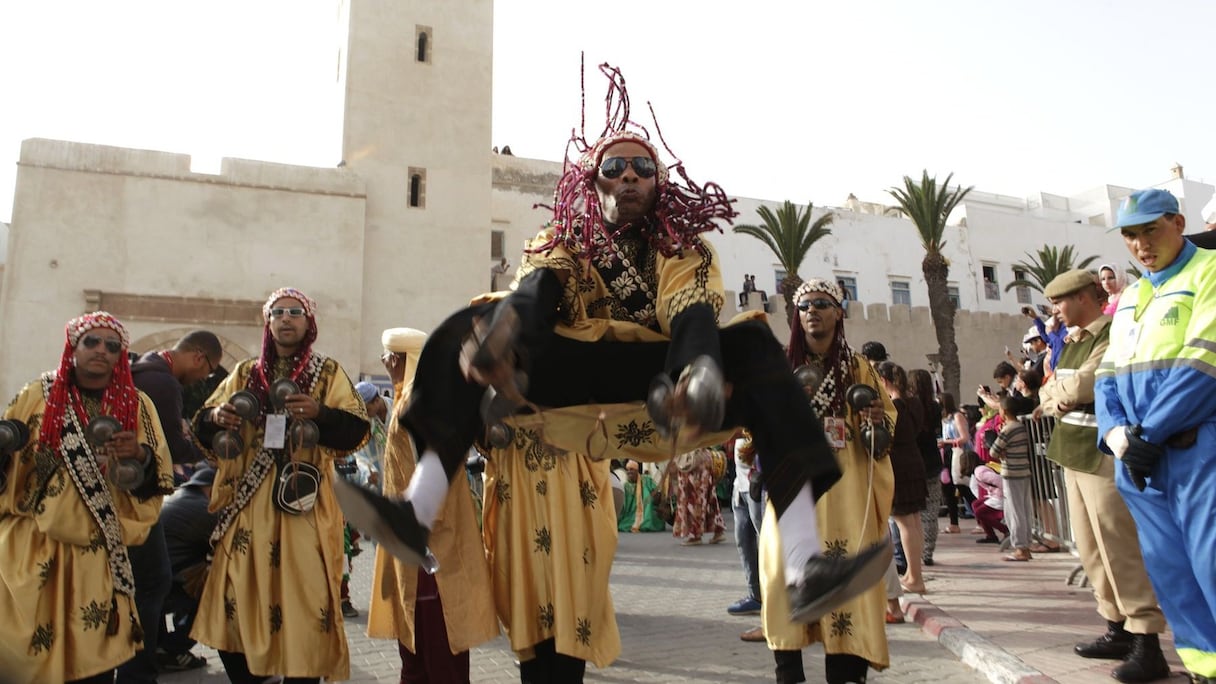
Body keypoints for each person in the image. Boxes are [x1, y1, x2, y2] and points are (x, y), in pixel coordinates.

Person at [335, 63, 889, 633]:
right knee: (467, 324)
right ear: (592, 181)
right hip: (575, 371)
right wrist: (502, 334)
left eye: (642, 167)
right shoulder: (563, 241)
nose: (629, 176)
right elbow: (536, 291)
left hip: (666, 371)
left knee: (755, 343)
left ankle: (804, 566)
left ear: (657, 182)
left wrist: (698, 370)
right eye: (615, 166)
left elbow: (690, 309)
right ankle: (414, 512)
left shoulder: (684, 246)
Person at [190, 287, 370, 683]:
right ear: (267, 322)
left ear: (309, 323)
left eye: (294, 312)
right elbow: (202, 426)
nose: (285, 319)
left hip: (302, 507)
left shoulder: (328, 372)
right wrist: (216, 417)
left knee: (305, 607)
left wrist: (319, 413)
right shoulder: (244, 373)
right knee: (233, 600)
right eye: (278, 313)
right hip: (247, 509)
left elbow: (357, 430)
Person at [0, 312, 174, 683]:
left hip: (98, 552)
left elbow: (157, 475)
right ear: (73, 348)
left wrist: (139, 455)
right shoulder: (36, 395)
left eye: (112, 346)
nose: (101, 351)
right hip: (36, 543)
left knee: (92, 657)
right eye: (91, 342)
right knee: (33, 653)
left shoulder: (137, 404)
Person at [1096, 188, 1216, 683]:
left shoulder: (1208, 271)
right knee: (1170, 572)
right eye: (1131, 235)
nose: (1141, 244)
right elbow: (1107, 373)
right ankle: (1203, 667)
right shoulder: (1129, 298)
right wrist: (1117, 433)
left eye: (1151, 230)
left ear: (1179, 222)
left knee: (1210, 563)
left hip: (1196, 452)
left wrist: (1147, 433)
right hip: (1141, 461)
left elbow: (1204, 360)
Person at [760, 279, 896, 684]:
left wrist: (875, 421)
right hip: (795, 488)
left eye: (821, 304)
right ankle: (789, 674)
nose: (812, 311)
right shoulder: (780, 368)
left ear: (839, 312)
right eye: (804, 306)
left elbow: (884, 430)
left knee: (848, 580)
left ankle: (848, 674)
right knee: (779, 574)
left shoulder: (861, 369)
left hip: (847, 491)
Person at [1037, 269, 1168, 682]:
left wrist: (1058, 393)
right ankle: (1115, 624)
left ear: (1083, 298)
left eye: (1061, 301)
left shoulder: (1111, 332)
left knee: (1118, 548)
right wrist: (1058, 392)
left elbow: (1086, 386)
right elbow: (1049, 388)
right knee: (1091, 550)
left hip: (1102, 454)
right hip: (1072, 452)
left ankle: (1146, 638)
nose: (1056, 310)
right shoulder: (1073, 342)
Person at [365, 327, 497, 684]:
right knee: (419, 654)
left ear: (396, 359)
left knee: (437, 654)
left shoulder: (417, 401)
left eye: (386, 357)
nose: (384, 362)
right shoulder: (411, 396)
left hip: (430, 547)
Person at [122, 330, 223, 684]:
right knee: (153, 585)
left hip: (133, 495)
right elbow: (172, 447)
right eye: (208, 371)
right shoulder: (163, 383)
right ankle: (139, 670)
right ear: (198, 357)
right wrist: (210, 451)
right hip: (136, 501)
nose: (203, 378)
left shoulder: (145, 372)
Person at [157, 465, 219, 673]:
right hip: (171, 582)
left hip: (158, 579)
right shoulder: (203, 509)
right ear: (211, 488)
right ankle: (173, 647)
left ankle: (164, 646)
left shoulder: (178, 496)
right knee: (215, 595)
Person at [875, 361, 928, 593]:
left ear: (884, 381)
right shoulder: (913, 401)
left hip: (899, 465)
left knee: (904, 522)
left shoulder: (893, 406)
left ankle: (915, 577)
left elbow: (888, 437)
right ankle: (913, 572)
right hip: (914, 461)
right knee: (914, 522)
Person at [988, 396, 1034, 562]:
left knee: (1014, 512)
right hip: (1024, 472)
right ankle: (1026, 544)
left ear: (1004, 411)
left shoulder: (1007, 430)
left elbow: (993, 451)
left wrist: (1000, 450)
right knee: (1024, 509)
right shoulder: (1021, 427)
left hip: (1011, 473)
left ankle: (1020, 547)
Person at [671, 447, 727, 545]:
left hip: (692, 461)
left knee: (693, 498)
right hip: (704, 457)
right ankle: (718, 530)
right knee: (708, 496)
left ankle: (695, 535)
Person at [618, 459, 665, 532]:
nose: (629, 472)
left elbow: (656, 492)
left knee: (648, 502)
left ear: (637, 471)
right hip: (631, 514)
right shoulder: (626, 485)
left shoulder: (646, 480)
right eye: (627, 470)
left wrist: (652, 498)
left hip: (646, 511)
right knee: (623, 524)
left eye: (631, 469)